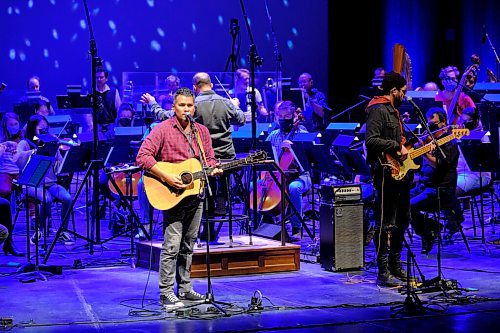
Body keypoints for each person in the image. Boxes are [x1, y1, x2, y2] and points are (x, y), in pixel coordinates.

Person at [136, 88, 223, 310]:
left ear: (195, 107)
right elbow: (143, 156)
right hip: (171, 194)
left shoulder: (201, 131)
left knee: (189, 244)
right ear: (174, 107)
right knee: (172, 245)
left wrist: (214, 169)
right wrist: (167, 176)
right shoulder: (162, 129)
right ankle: (166, 293)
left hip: (196, 192)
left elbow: (210, 159)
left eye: (190, 105)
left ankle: (184, 288)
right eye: (182, 105)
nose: (186, 109)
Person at [365, 71, 410, 287]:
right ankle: (382, 272)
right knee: (385, 222)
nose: (405, 95)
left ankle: (395, 264)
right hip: (383, 173)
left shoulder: (394, 112)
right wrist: (395, 146)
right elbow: (371, 141)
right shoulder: (377, 109)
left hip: (400, 174)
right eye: (403, 92)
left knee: (402, 219)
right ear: (393, 91)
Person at [191, 72, 245, 241]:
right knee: (222, 177)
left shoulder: (194, 104)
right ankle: (222, 199)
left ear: (195, 87)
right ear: (211, 85)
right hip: (226, 158)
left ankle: (207, 225)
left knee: (206, 186)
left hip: (204, 159)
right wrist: (235, 106)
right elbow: (241, 120)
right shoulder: (226, 102)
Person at [410, 108, 461, 254]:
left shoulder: (449, 144)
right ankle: (431, 227)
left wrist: (425, 152)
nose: (430, 127)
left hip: (440, 190)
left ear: (443, 123)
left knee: (409, 206)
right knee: (398, 202)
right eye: (428, 124)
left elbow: (439, 165)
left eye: (433, 124)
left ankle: (428, 232)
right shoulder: (429, 141)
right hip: (424, 186)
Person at [16, 115, 73, 244]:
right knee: (46, 199)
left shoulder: (51, 143)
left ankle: (63, 230)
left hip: (51, 183)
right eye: (40, 129)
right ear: (32, 128)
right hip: (30, 183)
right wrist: (36, 152)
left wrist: (57, 150)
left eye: (46, 129)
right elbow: (18, 160)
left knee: (67, 198)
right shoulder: (24, 143)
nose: (44, 131)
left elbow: (60, 165)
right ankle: (40, 230)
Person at [265, 100, 311, 239]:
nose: (283, 120)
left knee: (293, 188)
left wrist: (294, 147)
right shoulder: (273, 135)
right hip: (276, 176)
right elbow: (265, 154)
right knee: (252, 187)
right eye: (280, 117)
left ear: (293, 116)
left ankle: (296, 226)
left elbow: (308, 159)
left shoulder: (302, 132)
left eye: (287, 117)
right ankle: (264, 224)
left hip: (301, 175)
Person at [0, 113, 23, 201]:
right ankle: (6, 212)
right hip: (5, 172)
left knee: (30, 188)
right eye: (10, 125)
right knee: (4, 190)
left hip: (20, 172)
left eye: (16, 124)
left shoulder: (24, 139)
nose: (14, 127)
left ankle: (33, 214)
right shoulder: (1, 139)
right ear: (5, 126)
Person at [96, 67, 121, 139]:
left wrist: (115, 125)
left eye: (101, 77)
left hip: (111, 125)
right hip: (97, 126)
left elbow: (119, 110)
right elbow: (88, 112)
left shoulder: (113, 91)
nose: (99, 79)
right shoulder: (91, 93)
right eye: (97, 77)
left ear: (106, 78)